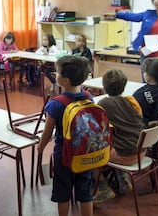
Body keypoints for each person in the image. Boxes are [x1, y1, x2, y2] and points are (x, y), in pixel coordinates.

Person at [38, 55, 93, 216]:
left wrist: (40, 148)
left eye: (58, 73)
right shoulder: (89, 97)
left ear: (66, 80)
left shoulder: (56, 104)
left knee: (63, 192)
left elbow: (47, 133)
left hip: (64, 155)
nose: (55, 75)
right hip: (85, 152)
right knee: (85, 191)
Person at [95, 69, 145, 204]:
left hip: (125, 155)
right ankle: (122, 180)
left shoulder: (103, 104)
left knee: (92, 152)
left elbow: (97, 128)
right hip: (142, 152)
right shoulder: (131, 100)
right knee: (114, 141)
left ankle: (102, 187)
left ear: (104, 86)